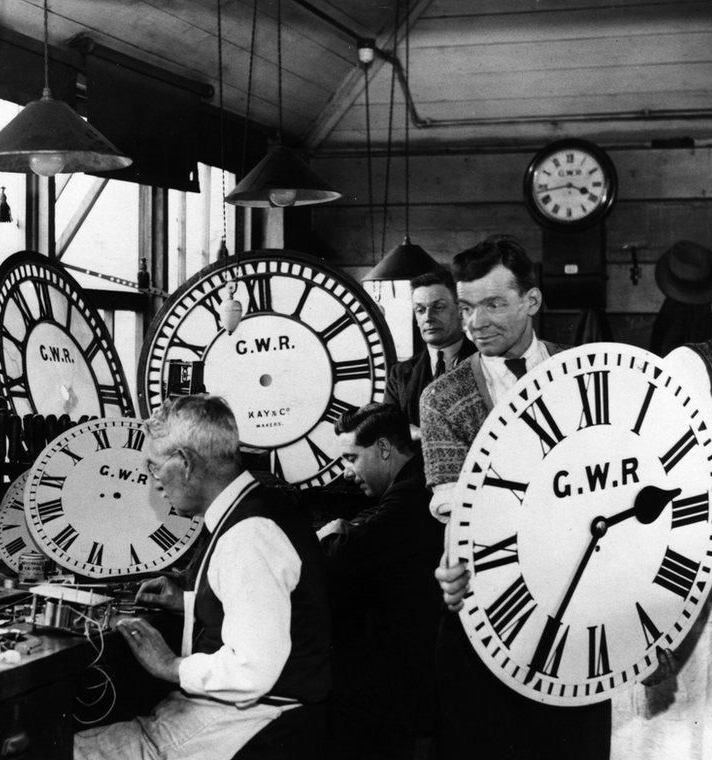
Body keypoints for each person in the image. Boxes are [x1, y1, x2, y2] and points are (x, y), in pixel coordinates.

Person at [418, 234, 611, 760]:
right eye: (466, 306)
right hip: (486, 615)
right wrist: (452, 561)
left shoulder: (590, 374)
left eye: (494, 304)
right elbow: (457, 511)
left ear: (532, 301)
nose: (476, 322)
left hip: (582, 616)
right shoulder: (444, 396)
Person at [74, 395, 331, 760]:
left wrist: (170, 665)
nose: (154, 481)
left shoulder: (250, 533)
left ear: (186, 463)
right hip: (251, 711)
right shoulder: (257, 506)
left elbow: (251, 671)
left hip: (254, 718)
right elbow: (266, 605)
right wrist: (188, 602)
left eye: (155, 466)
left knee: (68, 748)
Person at [610, 335, 712, 759]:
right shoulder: (695, 368)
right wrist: (645, 633)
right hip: (686, 594)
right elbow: (639, 491)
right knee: (671, 740)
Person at [318, 402, 443, 759]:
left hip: (401, 695)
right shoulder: (412, 479)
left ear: (384, 449)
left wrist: (332, 533)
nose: (345, 472)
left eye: (351, 458)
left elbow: (343, 555)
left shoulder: (412, 493)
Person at [384, 269, 475, 442]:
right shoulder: (400, 374)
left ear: (460, 311)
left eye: (438, 307)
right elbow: (387, 429)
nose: (428, 317)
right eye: (420, 310)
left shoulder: (486, 363)